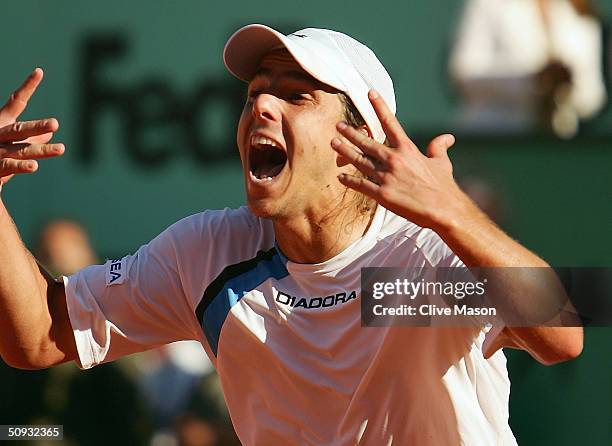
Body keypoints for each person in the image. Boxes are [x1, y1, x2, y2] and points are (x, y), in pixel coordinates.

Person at [0, 25, 582, 445]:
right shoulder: (208, 255)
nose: (261, 107)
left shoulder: (424, 256)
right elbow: (36, 338)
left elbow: (563, 336)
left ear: (362, 139)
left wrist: (452, 213)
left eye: (296, 95)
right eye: (255, 93)